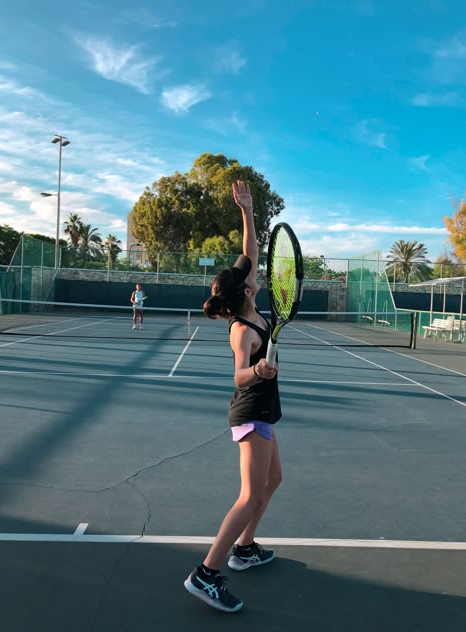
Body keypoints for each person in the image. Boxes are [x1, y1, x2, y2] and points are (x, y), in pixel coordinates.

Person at [184, 181, 282, 613]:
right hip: (249, 411)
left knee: (272, 481)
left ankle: (245, 549)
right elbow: (239, 375)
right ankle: (206, 573)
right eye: (251, 278)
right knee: (249, 494)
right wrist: (258, 369)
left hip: (263, 410)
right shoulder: (242, 330)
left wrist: (247, 210)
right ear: (244, 290)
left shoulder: (253, 306)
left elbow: (252, 251)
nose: (256, 276)